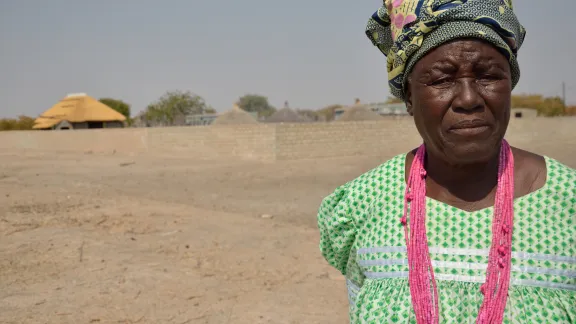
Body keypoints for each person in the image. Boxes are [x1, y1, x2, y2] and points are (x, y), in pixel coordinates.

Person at [317, 0, 576, 323]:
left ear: (510, 85)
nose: (468, 99)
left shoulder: (569, 203)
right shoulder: (362, 205)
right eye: (441, 80)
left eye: (488, 76)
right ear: (409, 98)